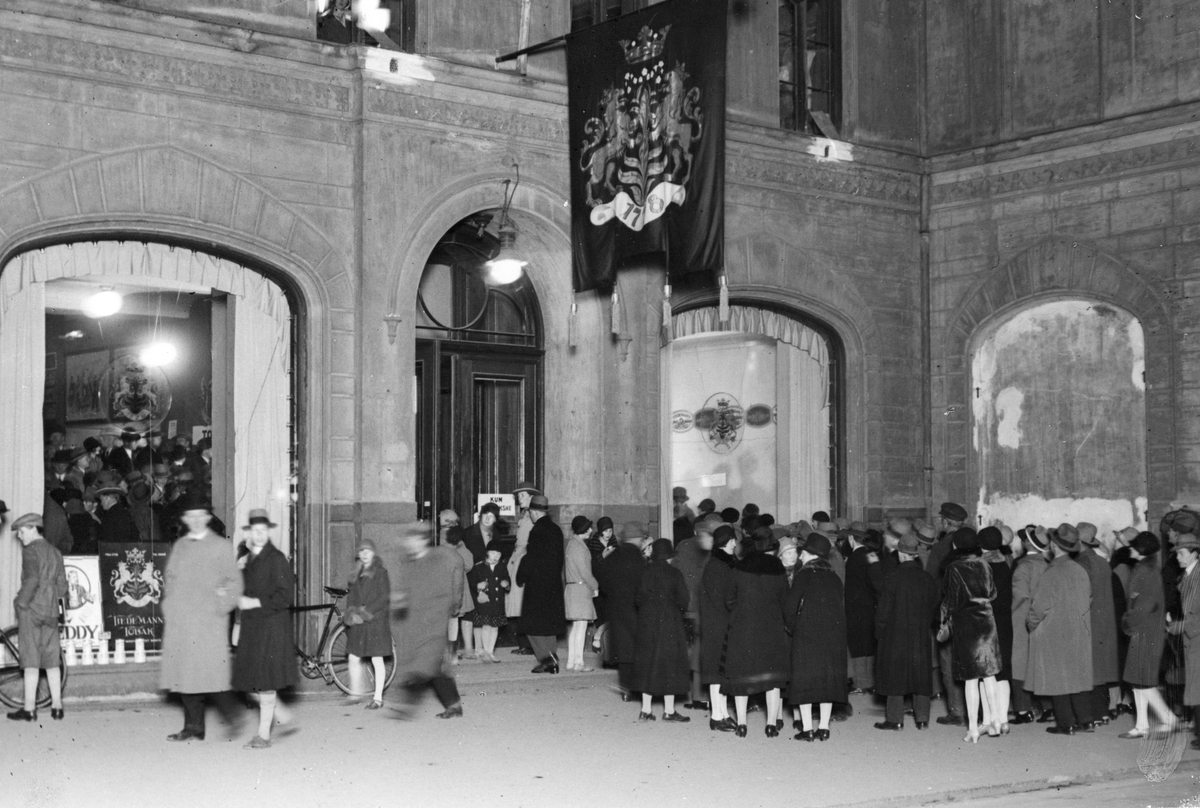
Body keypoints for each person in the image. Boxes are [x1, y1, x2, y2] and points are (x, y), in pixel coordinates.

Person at [160, 495, 244, 741]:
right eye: (191, 516)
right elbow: (171, 579)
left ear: (208, 518)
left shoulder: (220, 546)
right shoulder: (180, 546)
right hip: (183, 622)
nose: (196, 521)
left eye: (201, 516)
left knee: (211, 675)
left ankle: (233, 715)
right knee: (187, 675)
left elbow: (235, 582)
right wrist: (170, 606)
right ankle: (193, 727)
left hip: (209, 622)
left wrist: (220, 605)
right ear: (185, 519)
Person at [232, 509, 298, 749]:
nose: (259, 535)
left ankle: (263, 735)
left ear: (269, 532)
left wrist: (256, 602)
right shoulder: (249, 559)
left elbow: (286, 597)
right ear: (249, 533)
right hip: (253, 628)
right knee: (250, 683)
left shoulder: (277, 559)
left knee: (264, 682)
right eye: (255, 531)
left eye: (263, 531)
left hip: (271, 627)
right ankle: (284, 716)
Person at [390, 521, 464, 719]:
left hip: (433, 625)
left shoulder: (437, 561)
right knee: (436, 668)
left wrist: (434, 619)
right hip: (415, 624)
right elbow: (405, 589)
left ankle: (406, 705)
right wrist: (400, 599)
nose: (409, 544)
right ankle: (454, 705)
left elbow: (445, 595)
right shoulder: (409, 563)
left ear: (422, 541)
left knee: (423, 665)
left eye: (413, 540)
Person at [721, 527, 790, 738]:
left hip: (744, 629)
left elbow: (729, 599)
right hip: (772, 630)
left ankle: (742, 724)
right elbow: (785, 601)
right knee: (772, 680)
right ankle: (771, 724)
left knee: (741, 679)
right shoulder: (778, 567)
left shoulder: (739, 567)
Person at [1027, 524, 1095, 736]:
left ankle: (1066, 724)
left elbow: (1039, 606)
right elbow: (1089, 598)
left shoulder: (1053, 572)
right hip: (1079, 630)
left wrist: (1032, 623)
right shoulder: (1080, 570)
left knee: (1058, 678)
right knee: (1077, 676)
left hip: (1054, 631)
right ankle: (1087, 720)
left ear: (1054, 545)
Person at [939, 528, 1001, 742]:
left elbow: (951, 601)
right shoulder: (984, 563)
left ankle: (973, 729)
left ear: (956, 545)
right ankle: (995, 720)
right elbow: (993, 592)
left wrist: (942, 617)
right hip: (987, 622)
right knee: (990, 674)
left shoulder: (954, 568)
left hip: (966, 625)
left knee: (970, 679)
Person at [873, 532, 939, 731]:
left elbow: (883, 610)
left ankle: (895, 719)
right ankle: (922, 718)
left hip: (895, 634)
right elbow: (934, 607)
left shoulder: (892, 578)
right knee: (921, 674)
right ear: (916, 555)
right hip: (920, 633)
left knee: (895, 674)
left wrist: (879, 632)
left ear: (901, 554)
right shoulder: (927, 578)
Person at [785, 533, 847, 741]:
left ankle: (807, 729)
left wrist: (792, 628)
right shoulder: (834, 577)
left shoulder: (803, 575)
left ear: (807, 553)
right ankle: (824, 727)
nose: (800, 556)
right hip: (832, 635)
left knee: (804, 680)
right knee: (827, 680)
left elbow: (791, 607)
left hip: (807, 634)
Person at [7, 513, 68, 722]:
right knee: (52, 660)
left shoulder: (30, 551)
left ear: (33, 528)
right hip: (51, 611)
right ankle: (57, 707)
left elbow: (31, 580)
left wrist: (20, 603)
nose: (20, 537)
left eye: (22, 532)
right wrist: (56, 605)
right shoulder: (55, 552)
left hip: (32, 610)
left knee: (30, 659)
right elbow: (62, 587)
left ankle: (30, 709)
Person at [1120, 532, 1174, 738]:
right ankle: (1144, 725)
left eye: (1133, 546)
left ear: (1142, 550)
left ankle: (1166, 720)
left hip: (1145, 631)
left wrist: (1128, 622)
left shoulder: (1147, 571)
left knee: (1142, 680)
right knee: (1139, 680)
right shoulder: (1146, 568)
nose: (1130, 548)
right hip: (1144, 630)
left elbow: (1144, 606)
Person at [632, 539, 691, 722]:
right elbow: (684, 600)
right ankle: (669, 710)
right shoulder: (675, 574)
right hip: (669, 622)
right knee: (669, 664)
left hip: (647, 622)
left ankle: (646, 709)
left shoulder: (644, 572)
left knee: (647, 663)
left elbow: (638, 599)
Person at [595, 522, 647, 699]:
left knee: (623, 649)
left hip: (616, 608)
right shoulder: (639, 559)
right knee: (638, 647)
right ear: (638, 539)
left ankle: (625, 687)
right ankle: (637, 686)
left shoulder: (613, 555)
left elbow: (603, 579)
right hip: (636, 608)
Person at [1075, 521, 1120, 724]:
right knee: (1101, 670)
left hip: (1088, 621)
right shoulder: (1102, 562)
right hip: (1105, 623)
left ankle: (1089, 715)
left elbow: (1082, 597)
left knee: (1087, 669)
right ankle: (1102, 712)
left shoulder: (1081, 563)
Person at [516, 494, 566, 673]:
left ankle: (548, 659)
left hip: (537, 585)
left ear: (534, 512)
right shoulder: (556, 530)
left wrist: (521, 575)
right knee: (548, 625)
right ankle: (551, 658)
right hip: (553, 584)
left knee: (531, 625)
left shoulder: (537, 530)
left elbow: (531, 558)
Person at [344, 538, 393, 708]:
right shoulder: (355, 574)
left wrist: (365, 612)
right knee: (353, 656)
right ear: (358, 554)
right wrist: (351, 613)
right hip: (359, 621)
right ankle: (356, 692)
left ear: (373, 553)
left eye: (368, 551)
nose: (364, 554)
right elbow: (351, 597)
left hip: (375, 621)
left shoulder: (380, 572)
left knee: (376, 659)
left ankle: (378, 698)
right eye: (362, 551)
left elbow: (384, 597)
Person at [699, 524, 738, 731]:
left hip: (724, 623)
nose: (735, 543)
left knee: (723, 672)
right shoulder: (716, 565)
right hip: (718, 625)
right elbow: (722, 599)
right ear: (726, 542)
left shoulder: (724, 562)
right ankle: (716, 715)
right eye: (732, 540)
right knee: (716, 671)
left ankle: (723, 712)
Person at [1010, 526, 1051, 723]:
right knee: (1042, 663)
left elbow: (1020, 595)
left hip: (1021, 618)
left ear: (1027, 543)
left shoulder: (1023, 566)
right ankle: (1049, 707)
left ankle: (1022, 710)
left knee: (1019, 664)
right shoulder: (1048, 564)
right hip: (1045, 618)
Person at [675, 519, 713, 709]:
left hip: (686, 605)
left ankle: (689, 696)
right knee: (700, 652)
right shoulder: (710, 550)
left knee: (689, 651)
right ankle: (700, 696)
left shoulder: (683, 546)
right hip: (701, 607)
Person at [979, 526, 1013, 733]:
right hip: (1005, 623)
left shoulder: (982, 566)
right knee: (1003, 673)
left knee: (985, 673)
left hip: (987, 623)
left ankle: (990, 720)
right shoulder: (1006, 564)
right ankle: (1003, 718)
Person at [843, 521, 880, 694]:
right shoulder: (872, 554)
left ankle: (860, 682)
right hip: (871, 606)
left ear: (851, 538)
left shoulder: (853, 559)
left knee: (857, 643)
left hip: (856, 607)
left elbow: (851, 588)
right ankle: (870, 680)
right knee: (869, 643)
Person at [507, 481, 540, 655]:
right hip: (517, 560)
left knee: (525, 603)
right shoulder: (524, 517)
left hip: (524, 561)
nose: (519, 499)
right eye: (518, 496)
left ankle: (529, 644)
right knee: (518, 604)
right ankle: (523, 643)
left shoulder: (533, 518)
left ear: (531, 497)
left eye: (522, 496)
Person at [563, 515, 599, 672]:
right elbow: (584, 571)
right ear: (582, 529)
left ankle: (571, 661)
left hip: (573, 588)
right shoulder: (579, 547)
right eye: (588, 528)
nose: (591, 530)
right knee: (581, 627)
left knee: (576, 627)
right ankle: (578, 662)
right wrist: (595, 585)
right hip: (580, 589)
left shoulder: (572, 544)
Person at [468, 539, 510, 663]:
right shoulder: (479, 567)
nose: (496, 556)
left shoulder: (502, 566)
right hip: (484, 602)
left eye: (498, 554)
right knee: (486, 626)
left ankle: (490, 651)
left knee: (495, 627)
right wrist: (477, 586)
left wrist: (506, 584)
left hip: (497, 602)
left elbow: (506, 579)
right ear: (487, 553)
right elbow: (472, 583)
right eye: (493, 553)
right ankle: (486, 652)